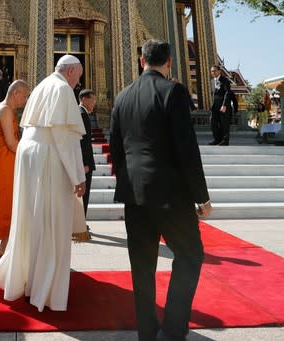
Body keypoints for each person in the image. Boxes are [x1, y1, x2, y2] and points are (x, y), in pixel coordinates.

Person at [109, 39, 212, 341]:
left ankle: (147, 331)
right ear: (168, 63)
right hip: (170, 195)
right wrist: (201, 197)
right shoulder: (173, 91)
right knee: (190, 254)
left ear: (141, 62)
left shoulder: (122, 97)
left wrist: (128, 182)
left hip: (134, 194)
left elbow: (116, 150)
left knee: (142, 267)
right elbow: (186, 148)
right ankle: (174, 328)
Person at [0, 55, 87, 312]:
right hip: (48, 155)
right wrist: (78, 175)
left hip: (29, 153)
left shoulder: (43, 84)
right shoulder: (63, 88)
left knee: (31, 220)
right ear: (72, 71)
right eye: (78, 75)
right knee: (51, 221)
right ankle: (46, 289)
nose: (79, 82)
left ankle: (28, 280)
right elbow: (64, 137)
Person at [0, 80, 29, 266]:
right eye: (24, 96)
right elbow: (11, 142)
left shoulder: (5, 109)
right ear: (15, 92)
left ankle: (3, 251)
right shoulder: (5, 110)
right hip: (1, 164)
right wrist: (31, 155)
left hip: (5, 163)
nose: (24, 100)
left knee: (8, 206)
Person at [78, 89, 97, 216]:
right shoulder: (82, 115)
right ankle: (80, 224)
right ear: (84, 99)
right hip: (84, 163)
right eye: (93, 100)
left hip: (83, 162)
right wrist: (86, 164)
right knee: (83, 194)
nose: (94, 104)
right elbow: (83, 143)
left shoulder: (80, 113)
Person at [210, 65, 233, 146]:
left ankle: (225, 140)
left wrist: (224, 105)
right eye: (212, 71)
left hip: (223, 105)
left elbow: (228, 93)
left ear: (219, 71)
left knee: (224, 123)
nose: (213, 72)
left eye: (215, 71)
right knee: (213, 122)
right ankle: (217, 139)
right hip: (215, 106)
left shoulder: (224, 80)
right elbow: (213, 94)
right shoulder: (212, 81)